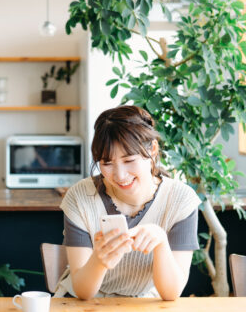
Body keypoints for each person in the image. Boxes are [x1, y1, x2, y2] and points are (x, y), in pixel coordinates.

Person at [57, 105, 200, 300]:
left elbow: (171, 293)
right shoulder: (80, 197)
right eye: (106, 163)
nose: (120, 175)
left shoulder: (180, 200)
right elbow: (82, 291)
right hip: (83, 304)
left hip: (145, 304)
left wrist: (160, 241)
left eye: (129, 160)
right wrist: (99, 260)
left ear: (153, 150)